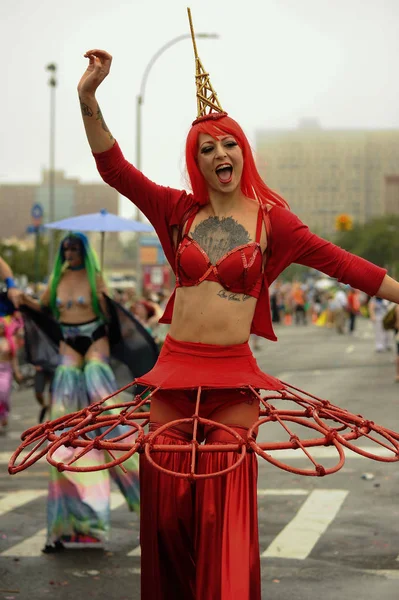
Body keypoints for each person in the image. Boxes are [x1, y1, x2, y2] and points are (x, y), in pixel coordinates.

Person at [12, 12, 399, 600]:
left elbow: (348, 266)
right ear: (196, 159)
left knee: (221, 507)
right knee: (166, 513)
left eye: (230, 143)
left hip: (231, 380)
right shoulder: (177, 213)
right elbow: (114, 167)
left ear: (244, 152)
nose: (221, 152)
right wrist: (89, 96)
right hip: (174, 372)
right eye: (207, 146)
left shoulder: (275, 222)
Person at [21, 232, 141, 552]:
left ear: (84, 251)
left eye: (75, 248)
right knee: (63, 436)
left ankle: (144, 490)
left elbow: (111, 314)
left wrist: (104, 295)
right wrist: (20, 299)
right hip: (68, 346)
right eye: (66, 248)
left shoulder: (95, 277)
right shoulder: (57, 278)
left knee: (108, 413)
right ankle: (66, 526)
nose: (70, 252)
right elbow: (44, 308)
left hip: (95, 344)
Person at [0, 317, 22, 430]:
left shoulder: (9, 341)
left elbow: (14, 358)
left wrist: (17, 372)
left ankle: (4, 413)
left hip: (6, 370)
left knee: (4, 394)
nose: (1, 328)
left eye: (3, 326)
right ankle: (1, 416)